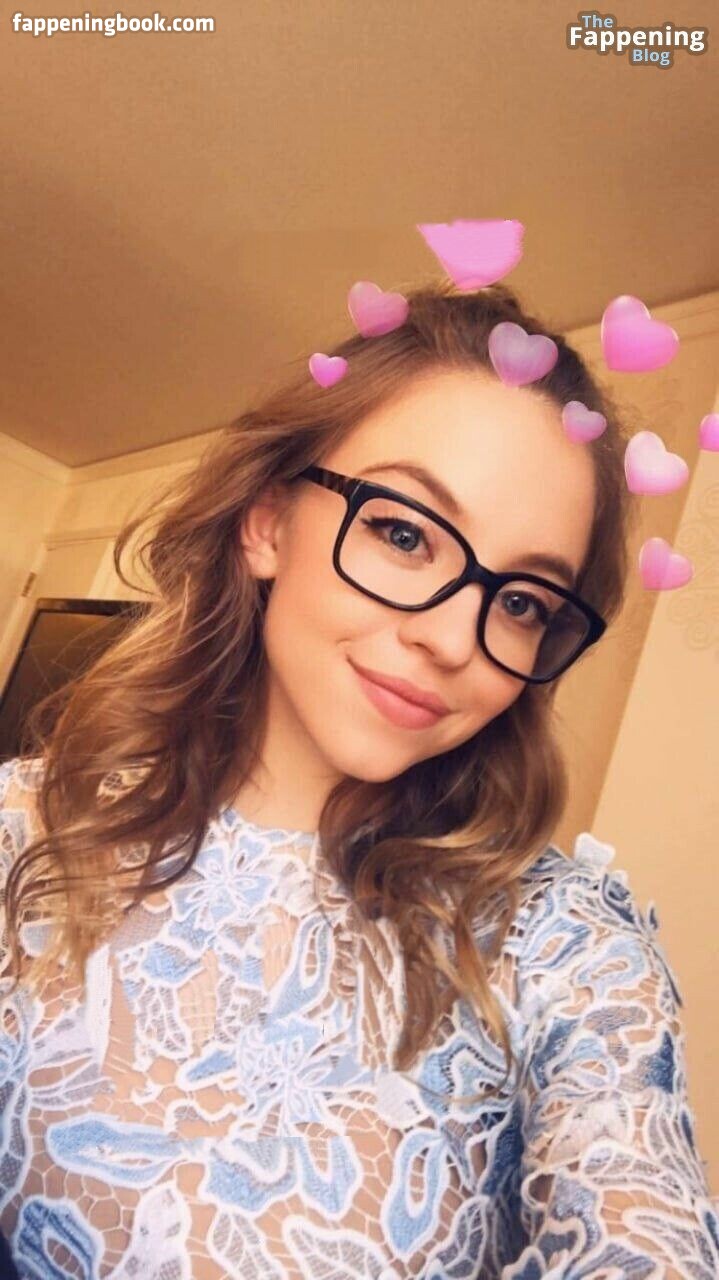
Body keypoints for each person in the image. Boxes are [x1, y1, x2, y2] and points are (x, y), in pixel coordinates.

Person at [0, 281, 716, 1278]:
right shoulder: (26, 827)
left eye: (520, 601)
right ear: (266, 522)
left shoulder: (561, 942)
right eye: (405, 532)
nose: (451, 638)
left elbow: (639, 1220)